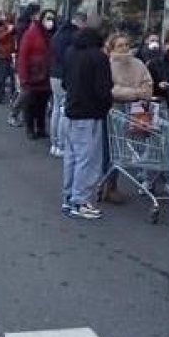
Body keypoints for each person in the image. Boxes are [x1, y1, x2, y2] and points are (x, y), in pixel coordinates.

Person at [62, 18, 114, 219]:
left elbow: (66, 81)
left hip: (72, 109)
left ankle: (69, 197)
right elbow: (103, 89)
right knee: (87, 159)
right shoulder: (98, 58)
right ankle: (80, 201)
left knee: (72, 157)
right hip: (90, 113)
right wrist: (105, 106)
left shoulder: (71, 51)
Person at [100, 32, 154, 201]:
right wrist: (135, 92)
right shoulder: (107, 65)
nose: (124, 48)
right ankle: (108, 185)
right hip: (114, 110)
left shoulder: (138, 64)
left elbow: (148, 88)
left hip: (137, 110)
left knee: (129, 148)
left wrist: (129, 93)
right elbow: (111, 90)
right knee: (111, 150)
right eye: (119, 45)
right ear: (112, 48)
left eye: (126, 45)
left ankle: (112, 185)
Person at [50, 12, 87, 158]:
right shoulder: (75, 36)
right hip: (65, 75)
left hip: (54, 73)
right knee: (65, 110)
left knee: (56, 109)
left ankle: (54, 143)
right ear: (81, 22)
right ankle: (61, 144)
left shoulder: (59, 33)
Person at [16, 4, 52, 140]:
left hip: (45, 75)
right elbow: (23, 56)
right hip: (33, 75)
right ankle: (30, 128)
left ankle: (41, 127)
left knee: (42, 104)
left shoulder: (47, 33)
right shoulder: (30, 34)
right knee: (31, 104)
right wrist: (23, 77)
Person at [0, 12, 16, 104]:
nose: (9, 24)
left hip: (13, 56)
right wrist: (8, 32)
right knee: (2, 78)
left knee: (14, 79)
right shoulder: (1, 29)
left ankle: (13, 96)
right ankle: (0, 97)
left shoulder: (16, 31)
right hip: (4, 56)